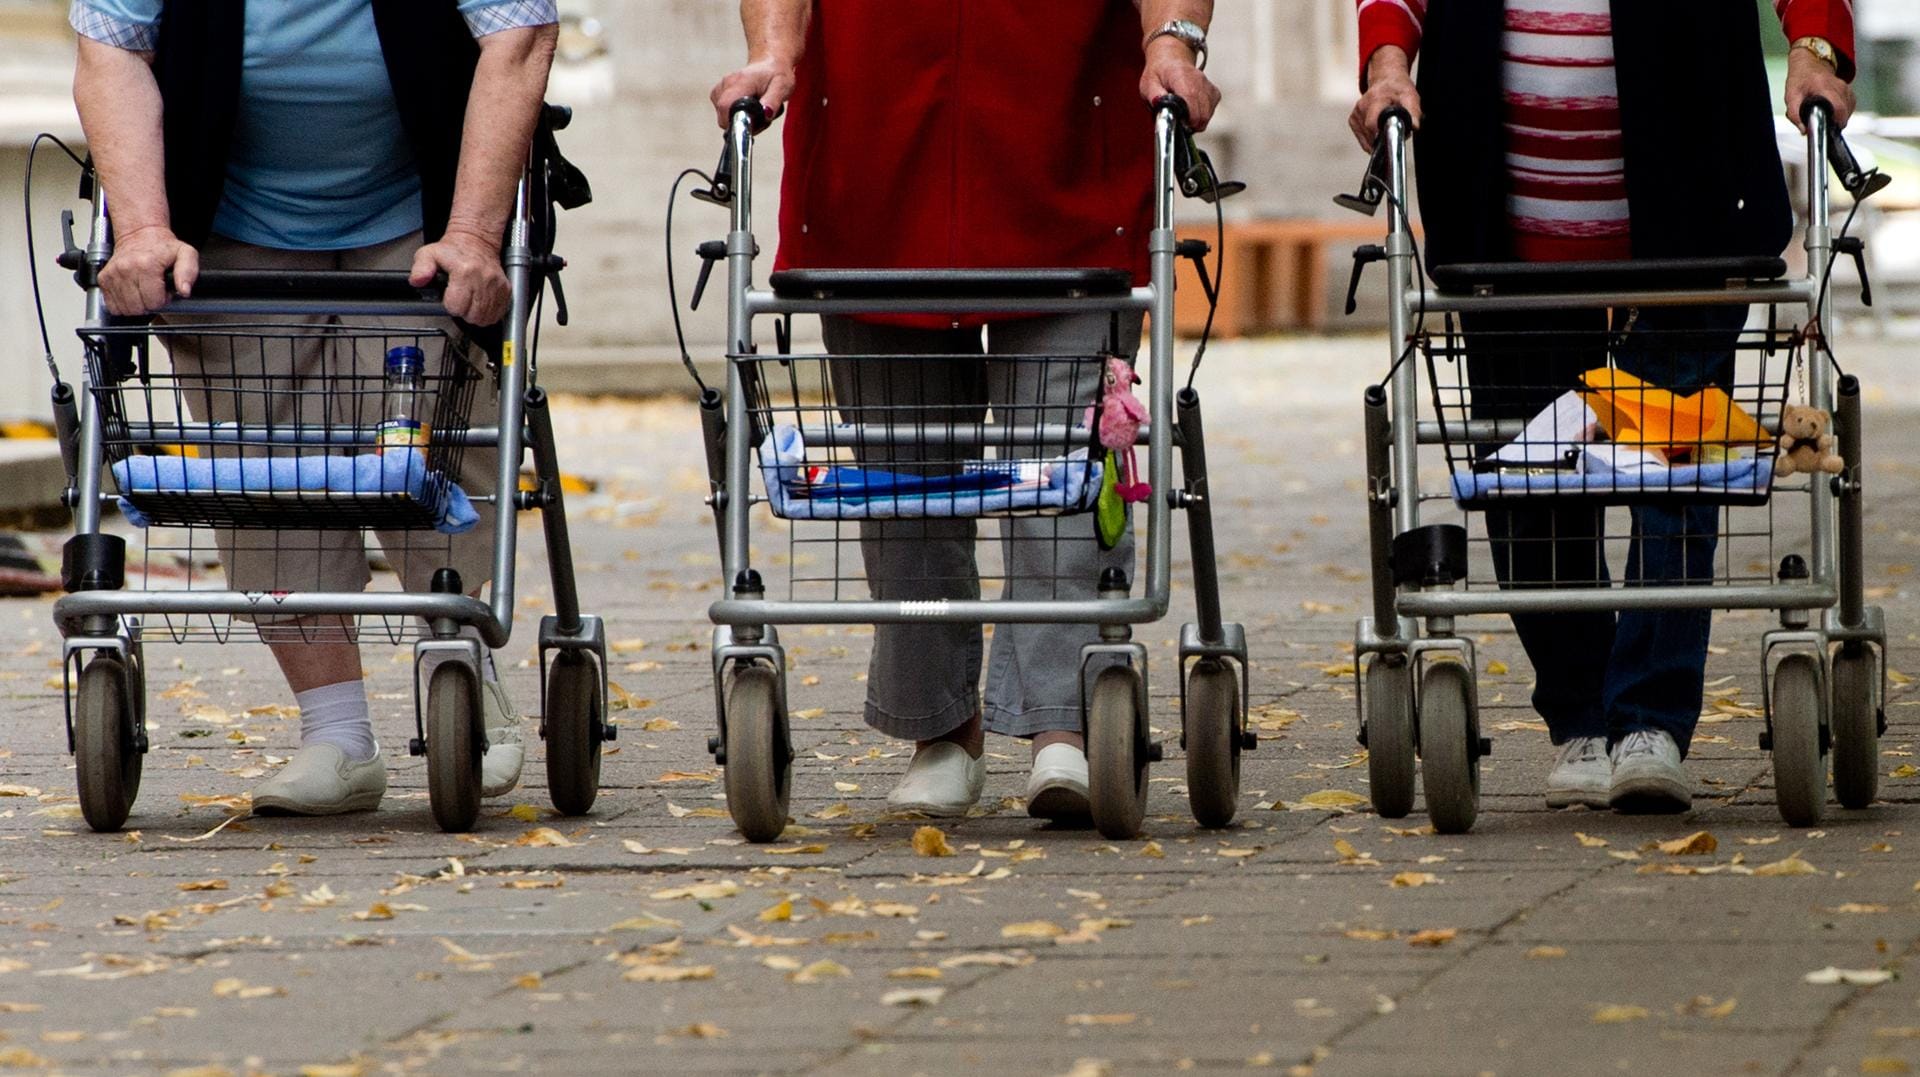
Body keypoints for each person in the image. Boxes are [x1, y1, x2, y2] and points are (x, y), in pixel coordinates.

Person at [709, 1, 1220, 819]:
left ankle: (1064, 724)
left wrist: (1173, 45)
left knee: (1059, 465)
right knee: (903, 476)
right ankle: (942, 728)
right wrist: (773, 53)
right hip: (874, 170)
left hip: (1067, 166)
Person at [1349, 0, 1856, 812]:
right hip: (1505, 236)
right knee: (1532, 483)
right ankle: (1583, 715)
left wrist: (1815, 49)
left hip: (1690, 219)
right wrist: (1387, 70)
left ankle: (1649, 721)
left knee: (1672, 466)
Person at [70, 0, 561, 815]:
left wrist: (475, 234)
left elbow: (520, 35)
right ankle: (336, 736)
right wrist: (145, 229)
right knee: (267, 469)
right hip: (230, 216)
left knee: (426, 449)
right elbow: (111, 51)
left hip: (421, 209)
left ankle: (461, 668)